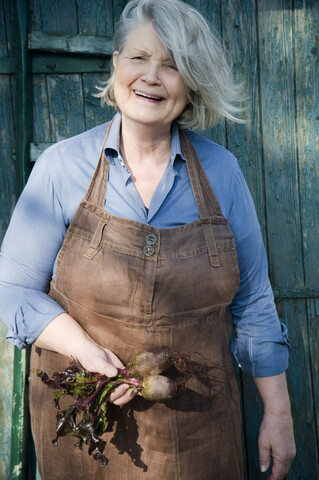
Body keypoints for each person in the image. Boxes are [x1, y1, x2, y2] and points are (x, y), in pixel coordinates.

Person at [0, 0, 296, 478]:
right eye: (139, 58)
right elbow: (11, 289)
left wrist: (279, 414)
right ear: (116, 64)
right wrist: (83, 349)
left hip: (201, 435)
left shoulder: (222, 173)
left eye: (173, 64)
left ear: (192, 83)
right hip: (87, 433)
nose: (152, 77)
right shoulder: (61, 168)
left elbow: (254, 302)